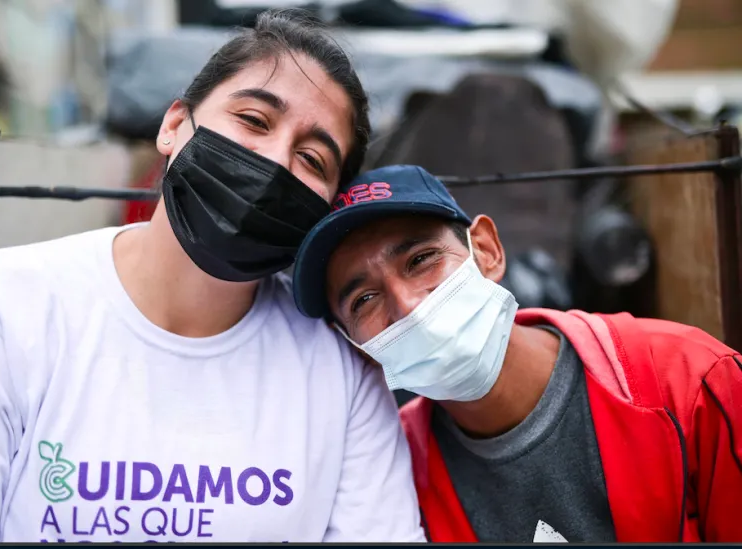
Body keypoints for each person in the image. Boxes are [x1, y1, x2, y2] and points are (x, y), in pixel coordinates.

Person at [0, 12, 425, 543]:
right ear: (174, 126)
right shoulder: (5, 306)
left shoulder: (341, 368)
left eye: (311, 158)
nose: (274, 163)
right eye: (254, 120)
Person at [291, 164, 742, 543]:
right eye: (363, 301)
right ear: (355, 345)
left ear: (485, 250)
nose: (408, 305)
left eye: (421, 259)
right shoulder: (390, 473)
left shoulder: (692, 382)